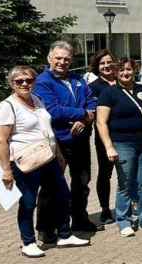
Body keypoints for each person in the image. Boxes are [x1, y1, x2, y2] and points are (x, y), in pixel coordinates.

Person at [0, 65, 90, 257]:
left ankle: (64, 235)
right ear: (12, 84)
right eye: (19, 81)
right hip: (25, 162)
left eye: (28, 80)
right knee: (28, 202)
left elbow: (47, 129)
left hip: (48, 157)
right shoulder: (8, 106)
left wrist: (59, 155)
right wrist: (6, 170)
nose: (24, 84)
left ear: (34, 82)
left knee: (62, 195)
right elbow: (1, 140)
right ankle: (28, 242)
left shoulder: (37, 100)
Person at [33, 41, 99, 237]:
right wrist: (83, 114)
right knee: (51, 185)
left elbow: (92, 101)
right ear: (49, 59)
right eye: (58, 58)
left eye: (66, 59)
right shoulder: (42, 81)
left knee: (82, 182)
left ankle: (79, 218)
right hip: (57, 140)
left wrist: (86, 120)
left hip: (80, 139)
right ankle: (46, 227)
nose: (62, 62)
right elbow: (53, 110)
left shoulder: (78, 79)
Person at [96, 58, 142, 237]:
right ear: (116, 72)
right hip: (122, 143)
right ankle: (123, 220)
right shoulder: (109, 93)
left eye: (129, 69)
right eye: (122, 70)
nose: (126, 73)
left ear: (135, 71)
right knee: (125, 183)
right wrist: (109, 146)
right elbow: (101, 122)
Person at [88, 50, 118, 225]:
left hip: (126, 135)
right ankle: (105, 209)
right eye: (102, 63)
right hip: (105, 136)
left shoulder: (123, 82)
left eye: (109, 62)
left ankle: (128, 205)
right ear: (97, 67)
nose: (106, 66)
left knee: (127, 173)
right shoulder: (93, 87)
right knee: (105, 173)